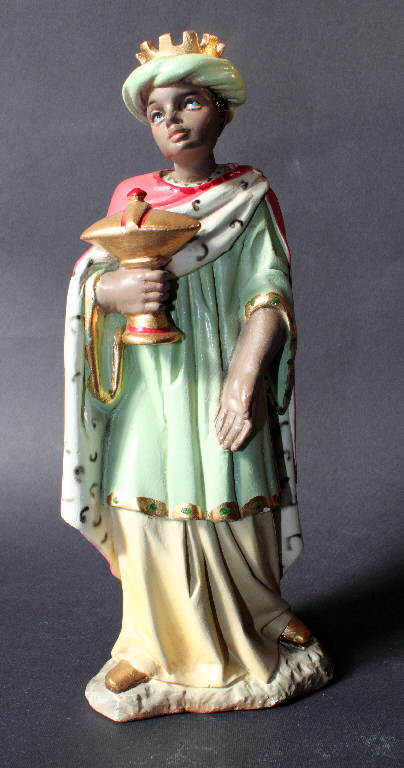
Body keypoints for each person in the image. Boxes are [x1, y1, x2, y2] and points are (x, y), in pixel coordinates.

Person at [62, 31, 310, 700]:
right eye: (157, 112)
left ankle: (260, 614)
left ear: (223, 112)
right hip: (151, 386)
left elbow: (269, 294)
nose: (172, 121)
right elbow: (92, 281)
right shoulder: (133, 198)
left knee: (238, 486)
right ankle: (147, 642)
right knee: (144, 497)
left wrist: (243, 379)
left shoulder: (248, 195)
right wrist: (113, 292)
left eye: (190, 102)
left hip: (223, 372)